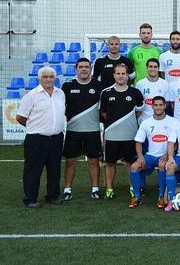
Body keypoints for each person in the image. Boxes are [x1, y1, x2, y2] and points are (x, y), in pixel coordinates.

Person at [17, 66, 66, 208]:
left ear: (55, 78)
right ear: (39, 79)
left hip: (56, 139)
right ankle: (31, 198)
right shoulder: (31, 95)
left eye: (51, 76)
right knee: (33, 170)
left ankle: (53, 196)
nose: (48, 79)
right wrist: (35, 127)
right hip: (36, 139)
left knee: (54, 170)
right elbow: (20, 117)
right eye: (45, 77)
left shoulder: (60, 93)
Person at [99, 63, 144, 199]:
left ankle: (133, 187)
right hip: (112, 135)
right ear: (114, 75)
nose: (120, 76)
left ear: (127, 75)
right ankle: (109, 189)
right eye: (118, 73)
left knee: (130, 163)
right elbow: (104, 113)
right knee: (110, 163)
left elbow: (139, 111)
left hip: (130, 135)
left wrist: (127, 123)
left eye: (123, 73)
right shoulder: (106, 93)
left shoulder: (135, 92)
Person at [61, 58, 103, 201]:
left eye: (86, 67)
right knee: (70, 161)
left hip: (93, 131)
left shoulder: (99, 86)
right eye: (81, 67)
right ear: (76, 69)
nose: (84, 69)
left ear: (91, 69)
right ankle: (67, 189)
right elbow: (61, 107)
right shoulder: (67, 86)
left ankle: (95, 189)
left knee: (93, 161)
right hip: (73, 131)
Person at [128, 96, 174, 209]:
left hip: (164, 156)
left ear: (165, 106)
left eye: (160, 105)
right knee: (134, 167)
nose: (158, 107)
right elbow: (138, 142)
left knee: (162, 165)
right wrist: (140, 157)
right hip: (150, 156)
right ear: (152, 106)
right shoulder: (146, 122)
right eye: (156, 105)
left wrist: (167, 154)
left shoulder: (172, 121)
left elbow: (175, 142)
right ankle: (136, 198)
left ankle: (161, 197)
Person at [136, 58, 169, 122]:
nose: (153, 69)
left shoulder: (164, 83)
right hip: (144, 120)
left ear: (158, 68)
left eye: (155, 67)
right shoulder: (140, 84)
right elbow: (137, 104)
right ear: (147, 68)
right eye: (150, 66)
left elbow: (166, 103)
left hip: (160, 121)